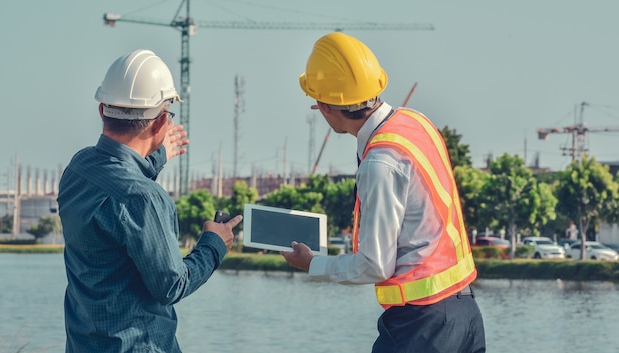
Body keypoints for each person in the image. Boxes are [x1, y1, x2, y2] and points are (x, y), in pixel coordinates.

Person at [282, 33, 486, 352]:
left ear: (321, 105)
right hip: (465, 314)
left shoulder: (380, 163)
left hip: (422, 325)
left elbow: (375, 265)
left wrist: (313, 264)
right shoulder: (417, 123)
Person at [58, 49, 242, 353]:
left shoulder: (78, 169)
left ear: (102, 110)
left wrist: (153, 156)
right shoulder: (145, 198)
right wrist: (213, 244)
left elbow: (117, 190)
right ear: (160, 124)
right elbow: (171, 285)